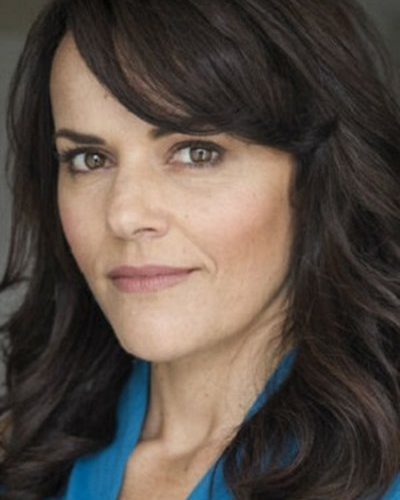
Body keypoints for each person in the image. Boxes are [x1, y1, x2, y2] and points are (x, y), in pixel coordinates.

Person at [0, 0, 399, 499]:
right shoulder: (26, 454)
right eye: (89, 159)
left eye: (196, 152)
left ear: (314, 177)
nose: (124, 215)